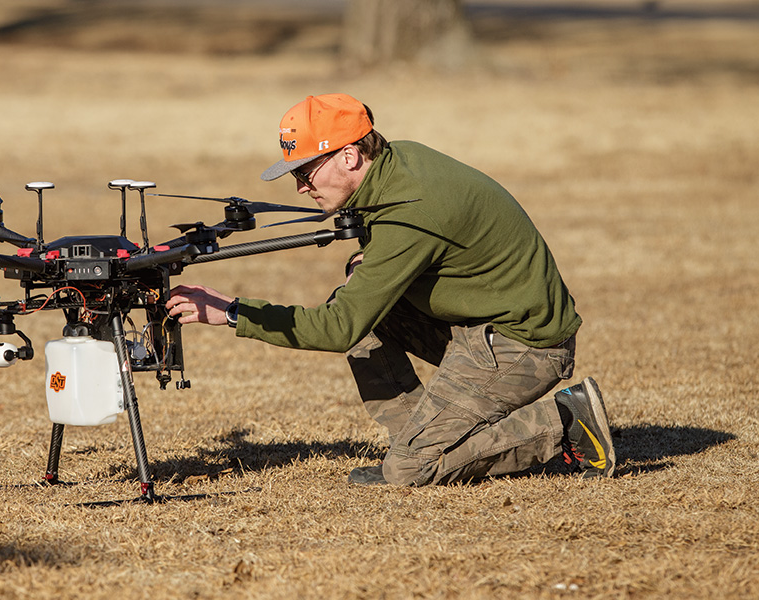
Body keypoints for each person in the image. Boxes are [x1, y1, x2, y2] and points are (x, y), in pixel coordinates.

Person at [165, 93, 614, 486]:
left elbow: (338, 329)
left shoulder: (410, 208)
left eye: (305, 171)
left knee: (408, 470)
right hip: (479, 324)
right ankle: (421, 440)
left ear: (349, 156)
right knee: (363, 320)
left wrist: (231, 311)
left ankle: (566, 421)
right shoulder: (397, 163)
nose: (300, 187)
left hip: (525, 346)